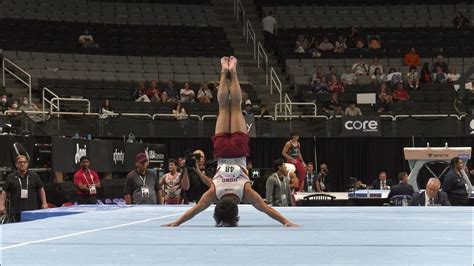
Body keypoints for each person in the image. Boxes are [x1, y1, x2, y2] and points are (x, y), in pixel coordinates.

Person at [162, 56, 297, 227]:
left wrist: (286, 221)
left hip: (239, 149)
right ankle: (223, 70)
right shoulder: (215, 193)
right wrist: (177, 222)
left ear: (237, 210)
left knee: (235, 106)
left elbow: (266, 209)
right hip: (222, 151)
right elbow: (196, 209)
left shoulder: (245, 192)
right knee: (224, 107)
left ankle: (232, 71)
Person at [0, 155, 48, 222]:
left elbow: (41, 189)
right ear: (16, 164)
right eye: (20, 162)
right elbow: (4, 191)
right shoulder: (11, 177)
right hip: (16, 211)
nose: (22, 164)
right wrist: (1, 205)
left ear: (27, 164)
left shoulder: (33, 175)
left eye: (24, 162)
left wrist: (44, 202)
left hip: (32, 211)